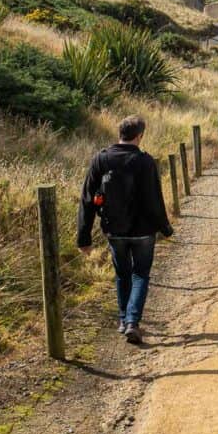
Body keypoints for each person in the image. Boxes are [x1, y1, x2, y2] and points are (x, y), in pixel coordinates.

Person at [78, 115, 173, 344]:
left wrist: (84, 237)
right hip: (143, 231)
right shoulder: (146, 161)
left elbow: (87, 199)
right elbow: (154, 200)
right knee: (140, 274)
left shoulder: (101, 159)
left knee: (122, 275)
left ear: (120, 133)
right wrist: (165, 228)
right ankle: (132, 321)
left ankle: (123, 320)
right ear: (139, 136)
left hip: (114, 230)